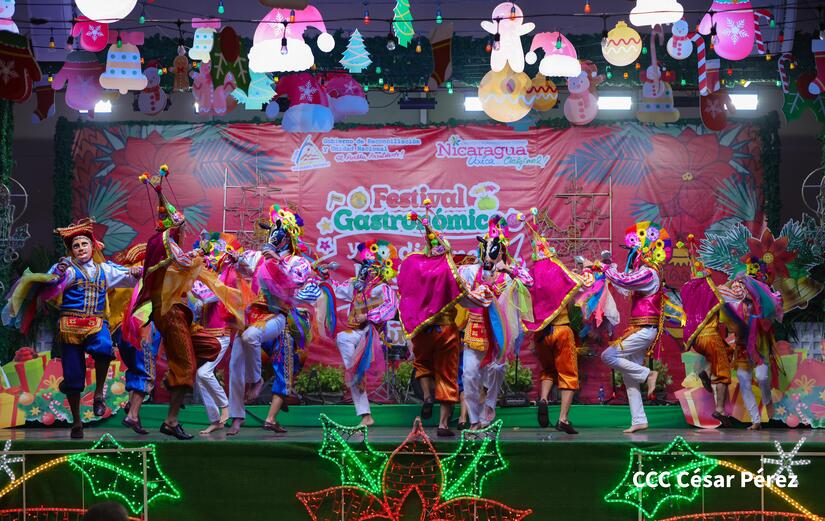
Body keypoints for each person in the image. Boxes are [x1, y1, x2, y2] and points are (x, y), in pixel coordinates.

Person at [134, 165, 223, 440]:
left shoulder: (167, 244)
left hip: (180, 312)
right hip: (170, 312)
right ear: (175, 228)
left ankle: (174, 377)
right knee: (186, 369)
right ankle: (171, 421)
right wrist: (201, 253)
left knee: (211, 346)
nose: (184, 232)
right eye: (182, 228)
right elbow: (183, 263)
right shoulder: (163, 243)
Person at [47, 219, 141, 438]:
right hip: (70, 327)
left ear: (93, 247)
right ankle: (76, 422)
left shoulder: (105, 270)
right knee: (73, 377)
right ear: (71, 251)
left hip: (96, 323)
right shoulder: (67, 270)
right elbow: (50, 284)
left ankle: (99, 394)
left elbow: (127, 277)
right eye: (76, 246)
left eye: (84, 244)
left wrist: (136, 272)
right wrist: (58, 272)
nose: (81, 249)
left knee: (104, 348)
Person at [457, 216, 533, 430]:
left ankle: (488, 409)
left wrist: (508, 269)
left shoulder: (508, 275)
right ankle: (474, 419)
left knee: (496, 371)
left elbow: (529, 281)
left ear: (501, 251)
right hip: (475, 331)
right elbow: (454, 280)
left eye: (494, 248)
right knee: (469, 375)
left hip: (499, 332)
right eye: (486, 247)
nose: (489, 252)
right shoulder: (471, 271)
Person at [599, 221, 672, 433]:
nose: (634, 254)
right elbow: (624, 285)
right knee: (629, 378)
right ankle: (639, 419)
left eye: (636, 250)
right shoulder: (645, 272)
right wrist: (608, 268)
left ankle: (648, 374)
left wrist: (607, 268)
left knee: (608, 356)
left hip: (644, 330)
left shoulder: (650, 273)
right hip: (639, 329)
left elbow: (625, 281)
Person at [257, 204, 324, 434]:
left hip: (284, 322)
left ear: (287, 238)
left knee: (285, 365)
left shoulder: (298, 262)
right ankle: (260, 391)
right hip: (261, 318)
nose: (274, 237)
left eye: (279, 234)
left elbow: (298, 283)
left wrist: (277, 260)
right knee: (250, 348)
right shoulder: (263, 258)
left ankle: (271, 416)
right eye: (273, 233)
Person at [520, 210, 584, 433]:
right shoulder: (559, 271)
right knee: (568, 374)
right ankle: (563, 419)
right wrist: (587, 270)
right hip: (561, 330)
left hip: (541, 333)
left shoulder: (531, 274)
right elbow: (582, 282)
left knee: (547, 369)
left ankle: (544, 399)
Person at [333, 240, 399, 426]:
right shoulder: (357, 286)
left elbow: (391, 307)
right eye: (364, 267)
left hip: (372, 334)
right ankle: (365, 413)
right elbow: (337, 290)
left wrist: (368, 315)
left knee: (346, 339)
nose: (365, 270)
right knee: (342, 338)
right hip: (356, 334)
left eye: (369, 267)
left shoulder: (382, 288)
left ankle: (355, 372)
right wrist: (323, 276)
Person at [681, 238, 734, 427]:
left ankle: (706, 371)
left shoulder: (689, 291)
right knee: (723, 372)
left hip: (697, 341)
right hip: (710, 336)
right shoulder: (710, 291)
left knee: (726, 352)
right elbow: (725, 293)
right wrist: (737, 280)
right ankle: (720, 410)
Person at [719, 275, 783, 430]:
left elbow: (768, 322)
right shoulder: (734, 307)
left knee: (762, 377)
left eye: (741, 287)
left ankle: (767, 400)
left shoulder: (760, 306)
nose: (738, 290)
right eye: (735, 288)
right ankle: (756, 420)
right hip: (742, 350)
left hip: (760, 349)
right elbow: (731, 327)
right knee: (744, 382)